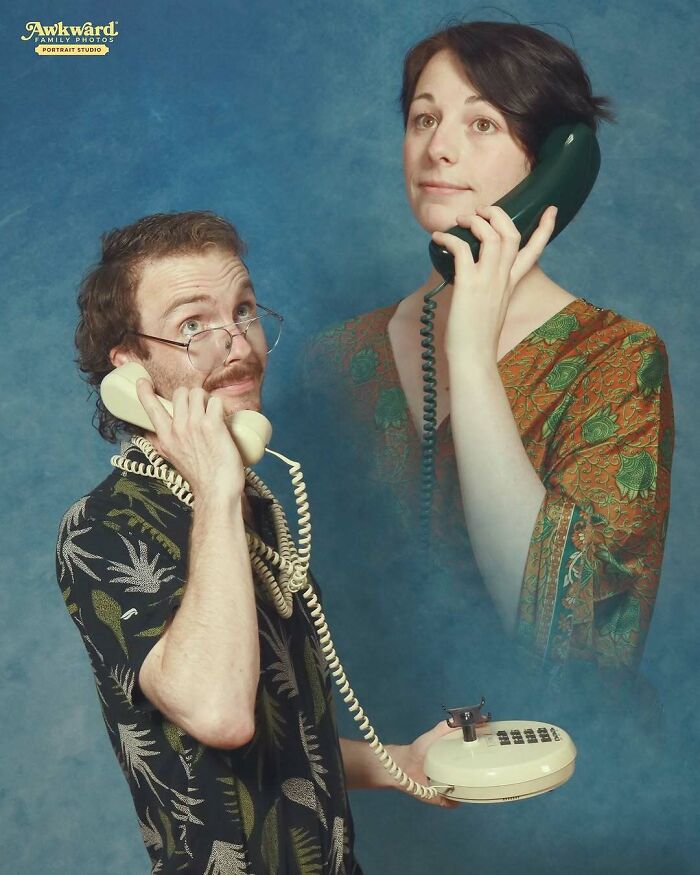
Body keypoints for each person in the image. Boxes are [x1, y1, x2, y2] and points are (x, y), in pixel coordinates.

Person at [55, 211, 456, 875]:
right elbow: (220, 713)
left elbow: (282, 741)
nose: (236, 343)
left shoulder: (253, 513)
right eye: (192, 325)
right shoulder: (101, 530)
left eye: (241, 311)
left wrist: (400, 763)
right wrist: (216, 487)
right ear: (129, 367)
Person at [303, 21, 674, 686]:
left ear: (555, 160)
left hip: (550, 763)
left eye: (481, 125)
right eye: (423, 118)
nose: (438, 148)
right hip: (378, 760)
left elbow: (563, 646)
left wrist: (470, 353)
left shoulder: (618, 359)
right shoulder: (334, 360)